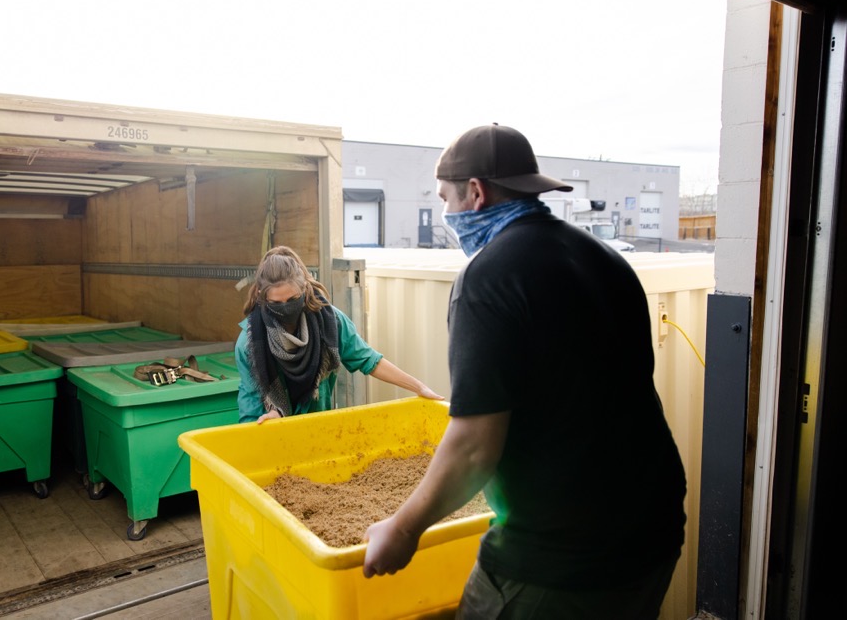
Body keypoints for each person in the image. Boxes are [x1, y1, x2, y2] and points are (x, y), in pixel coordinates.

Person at [362, 125, 687, 620]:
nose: (446, 213)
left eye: (446, 198)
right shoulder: (604, 259)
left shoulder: (489, 276)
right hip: (654, 527)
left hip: (561, 554)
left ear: (475, 192)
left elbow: (473, 447)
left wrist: (403, 529)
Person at [235, 245, 443, 424]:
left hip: (320, 427)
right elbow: (251, 404)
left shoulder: (330, 322)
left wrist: (419, 386)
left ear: (305, 289)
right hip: (276, 435)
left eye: (292, 299)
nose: (286, 308)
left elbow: (368, 360)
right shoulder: (250, 343)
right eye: (276, 304)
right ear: (263, 298)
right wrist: (267, 420)